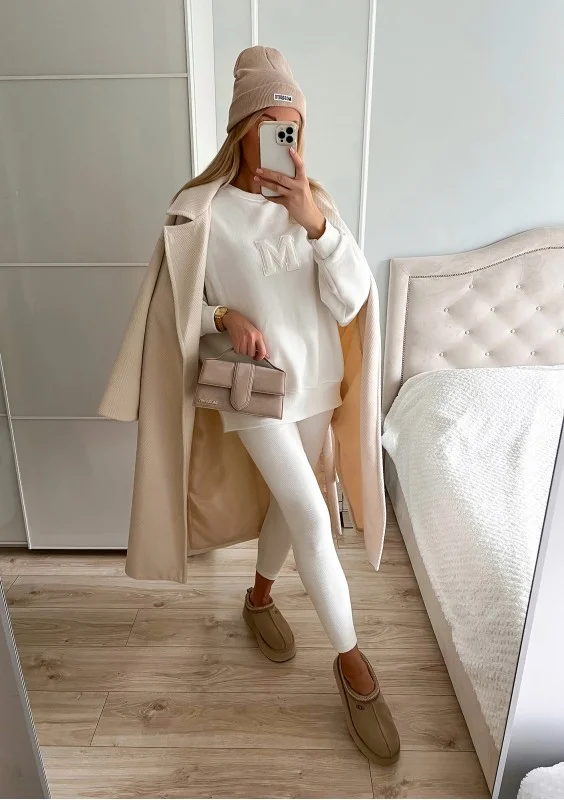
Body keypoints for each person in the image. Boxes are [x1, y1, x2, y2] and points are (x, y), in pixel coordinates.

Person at [99, 45, 398, 765]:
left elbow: (353, 301)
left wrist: (316, 226)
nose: (283, 141)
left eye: (293, 128)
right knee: (312, 515)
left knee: (289, 511)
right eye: (271, 126)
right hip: (253, 389)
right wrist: (223, 317)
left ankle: (259, 597)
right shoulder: (197, 212)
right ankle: (354, 668)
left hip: (319, 382)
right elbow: (177, 313)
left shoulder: (313, 206)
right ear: (243, 129)